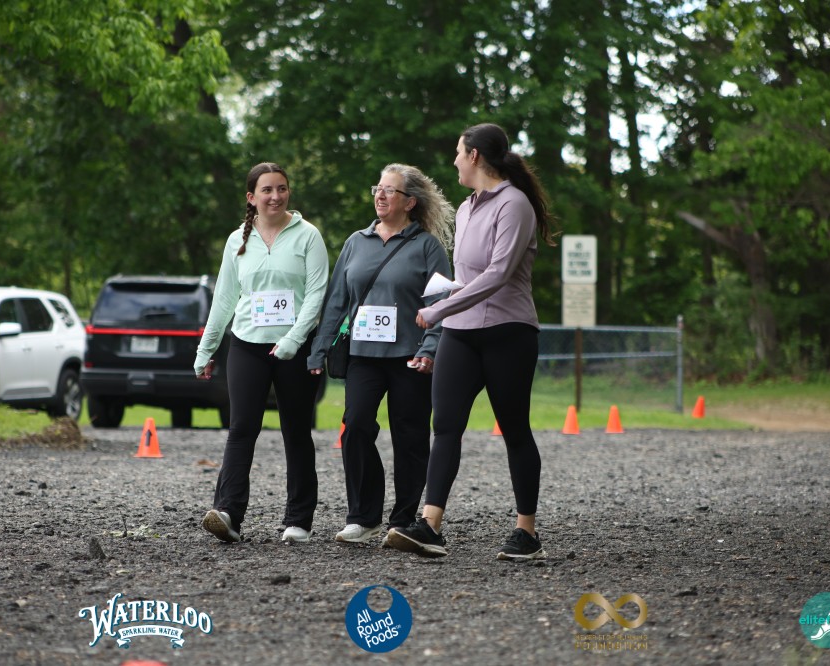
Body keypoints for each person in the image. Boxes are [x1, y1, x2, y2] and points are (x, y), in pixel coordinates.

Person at [385, 123, 560, 561]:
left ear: (476, 156)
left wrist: (438, 310)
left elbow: (498, 274)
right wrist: (444, 297)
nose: (455, 161)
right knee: (445, 427)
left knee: (514, 430)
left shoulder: (515, 204)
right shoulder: (465, 209)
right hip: (461, 333)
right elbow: (468, 276)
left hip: (508, 332)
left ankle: (526, 533)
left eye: (459, 153)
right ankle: (430, 525)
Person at [308, 163, 453, 545]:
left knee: (410, 437)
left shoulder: (427, 247)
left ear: (410, 202)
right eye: (378, 188)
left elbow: (441, 304)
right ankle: (363, 516)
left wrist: (430, 348)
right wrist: (318, 350)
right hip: (363, 355)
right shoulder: (356, 242)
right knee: (355, 426)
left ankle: (403, 519)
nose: (381, 195)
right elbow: (336, 302)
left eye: (390, 190)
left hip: (410, 357)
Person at [195, 162, 329, 544]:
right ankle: (228, 514)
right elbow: (224, 299)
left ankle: (298, 520)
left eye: (281, 188)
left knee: (296, 431)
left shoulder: (308, 236)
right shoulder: (236, 241)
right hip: (247, 345)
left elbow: (316, 294)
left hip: (296, 348)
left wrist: (294, 339)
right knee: (241, 428)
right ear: (251, 197)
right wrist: (206, 348)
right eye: (267, 190)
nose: (275, 196)